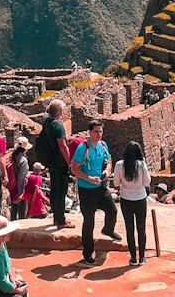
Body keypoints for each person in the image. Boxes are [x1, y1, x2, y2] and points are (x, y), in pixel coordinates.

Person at [72, 121, 118, 265]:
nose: (99, 135)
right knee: (89, 221)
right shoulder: (82, 148)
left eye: (100, 132)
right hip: (86, 190)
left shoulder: (103, 145)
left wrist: (107, 171)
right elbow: (74, 169)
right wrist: (88, 178)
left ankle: (108, 229)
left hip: (101, 187)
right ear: (90, 132)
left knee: (112, 210)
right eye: (96, 132)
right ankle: (87, 253)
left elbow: (109, 161)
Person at [34, 99, 72, 230]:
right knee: (61, 191)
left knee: (55, 189)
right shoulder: (58, 125)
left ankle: (56, 217)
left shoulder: (46, 121)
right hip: (60, 162)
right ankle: (61, 221)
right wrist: (70, 163)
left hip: (50, 161)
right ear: (60, 111)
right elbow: (62, 146)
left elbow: (47, 112)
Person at [112, 141, 151, 266]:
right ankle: (142, 257)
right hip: (140, 199)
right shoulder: (141, 165)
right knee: (141, 228)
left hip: (126, 198)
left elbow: (116, 183)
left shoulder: (119, 165)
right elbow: (147, 181)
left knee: (129, 228)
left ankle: (133, 257)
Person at [7, 139, 30, 220]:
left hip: (12, 187)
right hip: (19, 188)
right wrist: (21, 193)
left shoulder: (13, 156)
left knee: (13, 211)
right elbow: (21, 177)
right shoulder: (23, 160)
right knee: (22, 214)